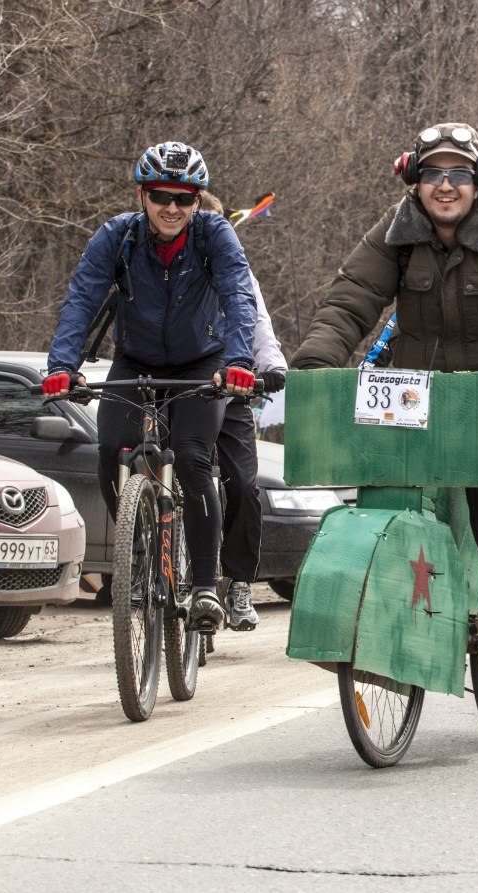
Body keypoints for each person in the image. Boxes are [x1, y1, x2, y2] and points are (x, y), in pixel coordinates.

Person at [291, 122, 478, 631]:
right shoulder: (395, 233)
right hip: (422, 382)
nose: (445, 184)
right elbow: (350, 302)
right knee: (379, 452)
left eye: (458, 173)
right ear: (413, 179)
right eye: (432, 172)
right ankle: (392, 570)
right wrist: (312, 369)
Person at [44, 141, 258, 633]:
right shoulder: (117, 237)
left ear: (197, 201)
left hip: (202, 360)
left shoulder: (214, 235)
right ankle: (137, 549)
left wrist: (241, 362)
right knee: (109, 447)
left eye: (184, 198)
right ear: (142, 196)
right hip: (135, 359)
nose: (172, 208)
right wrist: (62, 364)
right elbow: (82, 297)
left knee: (191, 454)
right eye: (161, 195)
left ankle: (205, 585)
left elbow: (238, 294)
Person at [197, 190, 289, 631]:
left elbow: (258, 323)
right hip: (177, 388)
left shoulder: (238, 273)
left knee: (244, 485)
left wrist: (271, 367)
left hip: (230, 388)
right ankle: (144, 555)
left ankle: (237, 583)